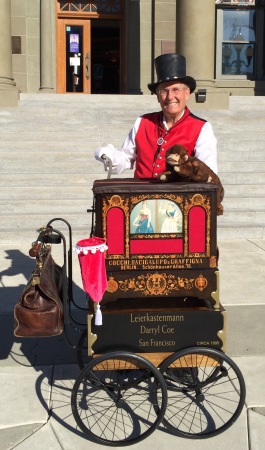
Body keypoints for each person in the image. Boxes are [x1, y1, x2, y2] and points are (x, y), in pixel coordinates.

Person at [95, 53, 217, 177]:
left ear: (186, 94)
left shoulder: (202, 128)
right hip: (141, 195)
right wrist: (110, 156)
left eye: (175, 90)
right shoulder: (143, 122)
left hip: (179, 195)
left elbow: (206, 172)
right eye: (164, 91)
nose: (170, 97)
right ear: (158, 97)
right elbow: (126, 157)